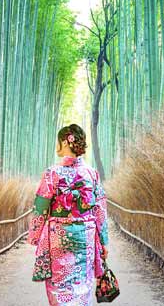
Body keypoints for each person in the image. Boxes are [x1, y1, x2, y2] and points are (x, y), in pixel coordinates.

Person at [29, 124, 109, 306]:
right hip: (86, 235)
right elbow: (100, 209)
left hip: (59, 235)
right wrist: (104, 241)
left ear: (66, 141)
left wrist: (35, 235)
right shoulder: (91, 173)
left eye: (59, 141)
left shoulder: (52, 173)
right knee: (83, 281)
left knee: (59, 281)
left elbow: (40, 206)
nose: (57, 145)